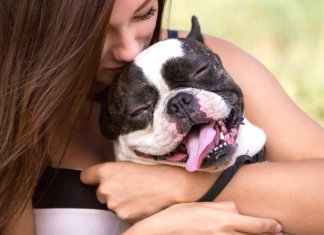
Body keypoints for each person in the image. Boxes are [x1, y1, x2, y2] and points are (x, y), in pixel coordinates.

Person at [1, 0, 324, 234]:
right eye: (96, 33)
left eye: (145, 14)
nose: (129, 49)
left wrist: (185, 186)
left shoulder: (193, 55)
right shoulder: (11, 116)